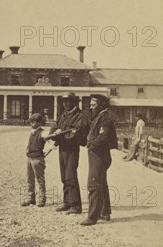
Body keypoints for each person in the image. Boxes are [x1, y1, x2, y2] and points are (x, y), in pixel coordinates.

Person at [49, 92, 90, 215]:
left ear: (74, 102)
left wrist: (60, 135)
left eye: (68, 101)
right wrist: (56, 133)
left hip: (72, 149)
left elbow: (76, 135)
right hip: (62, 149)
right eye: (64, 101)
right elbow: (54, 128)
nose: (66, 104)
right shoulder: (64, 115)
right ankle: (67, 202)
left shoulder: (80, 116)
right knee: (63, 176)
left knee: (70, 176)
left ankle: (76, 206)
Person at [81, 94, 118, 226]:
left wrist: (92, 144)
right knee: (101, 183)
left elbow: (104, 136)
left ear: (101, 105)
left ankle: (92, 217)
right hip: (96, 154)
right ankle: (105, 212)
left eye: (93, 105)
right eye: (90, 105)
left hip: (100, 154)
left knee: (94, 184)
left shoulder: (106, 118)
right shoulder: (99, 117)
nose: (91, 107)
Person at [22, 113, 49, 207]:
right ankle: (31, 198)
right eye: (31, 122)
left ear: (39, 122)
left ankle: (42, 198)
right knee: (30, 178)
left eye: (33, 122)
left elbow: (50, 143)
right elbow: (28, 143)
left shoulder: (43, 133)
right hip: (29, 157)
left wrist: (46, 152)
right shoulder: (31, 132)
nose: (31, 124)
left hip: (38, 158)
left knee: (40, 179)